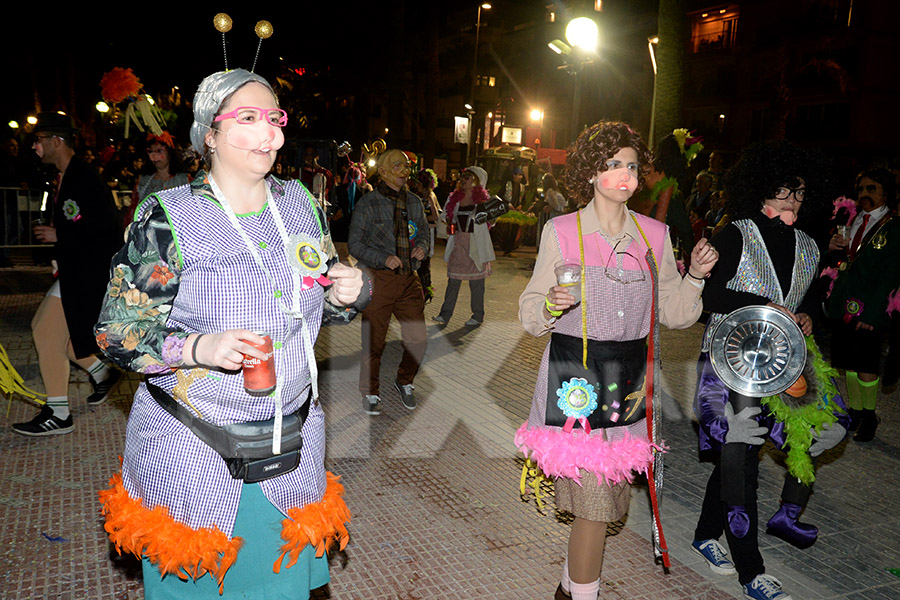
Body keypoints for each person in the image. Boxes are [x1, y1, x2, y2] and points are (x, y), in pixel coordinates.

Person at [93, 69, 368, 599]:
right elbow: (114, 334)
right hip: (194, 448)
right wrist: (200, 347)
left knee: (279, 587)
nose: (270, 133)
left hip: (291, 445)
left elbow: (314, 307)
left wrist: (342, 296)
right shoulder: (168, 218)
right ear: (209, 135)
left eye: (275, 119)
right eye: (248, 118)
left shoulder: (302, 206)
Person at [514, 121, 718, 600]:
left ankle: (570, 587)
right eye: (611, 165)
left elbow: (673, 313)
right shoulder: (561, 231)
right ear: (589, 172)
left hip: (629, 380)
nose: (624, 174)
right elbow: (529, 312)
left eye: (630, 165)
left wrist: (697, 278)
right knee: (596, 507)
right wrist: (550, 305)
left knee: (607, 502)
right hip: (576, 379)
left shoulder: (655, 235)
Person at [692, 140, 847, 600]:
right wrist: (763, 305)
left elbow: (811, 301)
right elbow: (709, 299)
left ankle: (705, 534)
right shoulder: (734, 234)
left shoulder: (808, 244)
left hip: (782, 364)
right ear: (761, 190)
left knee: (817, 432)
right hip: (730, 363)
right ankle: (751, 570)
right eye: (784, 191)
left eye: (799, 193)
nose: (792, 201)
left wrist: (806, 316)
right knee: (740, 457)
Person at [12, 113, 123, 436]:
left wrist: (59, 237)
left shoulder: (83, 177)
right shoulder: (67, 176)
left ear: (55, 141)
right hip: (76, 269)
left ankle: (59, 413)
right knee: (56, 331)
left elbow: (106, 228)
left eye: (38, 140)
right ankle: (101, 373)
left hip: (89, 273)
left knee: (45, 332)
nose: (34, 147)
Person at [349, 148, 429, 415]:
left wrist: (423, 248)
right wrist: (382, 258)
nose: (404, 171)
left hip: (408, 279)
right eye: (398, 166)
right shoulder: (368, 203)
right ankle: (369, 390)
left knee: (418, 340)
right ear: (382, 172)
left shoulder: (415, 202)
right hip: (378, 279)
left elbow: (425, 235)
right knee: (373, 342)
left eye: (407, 166)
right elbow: (355, 245)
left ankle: (404, 380)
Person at [825, 166, 900, 442]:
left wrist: (875, 311)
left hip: (869, 306)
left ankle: (869, 415)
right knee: (849, 362)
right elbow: (844, 261)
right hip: (844, 303)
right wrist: (832, 246)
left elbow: (891, 275)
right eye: (861, 189)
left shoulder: (894, 227)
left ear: (886, 194)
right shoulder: (854, 219)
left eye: (872, 189)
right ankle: (855, 411)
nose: (864, 194)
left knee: (867, 363)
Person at [433, 165, 494, 326]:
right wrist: (446, 223)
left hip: (476, 244)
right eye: (463, 177)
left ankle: (477, 315)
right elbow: (446, 215)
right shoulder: (455, 198)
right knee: (453, 280)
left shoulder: (482, 200)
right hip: (459, 242)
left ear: (476, 181)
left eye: (468, 177)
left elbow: (491, 222)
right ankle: (445, 314)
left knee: (477, 283)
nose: (463, 180)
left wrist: (493, 218)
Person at [126, 133, 190, 226]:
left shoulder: (185, 180)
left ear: (169, 152)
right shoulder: (143, 180)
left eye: (159, 151)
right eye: (150, 151)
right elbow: (133, 210)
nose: (154, 157)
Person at [414, 168, 442, 303]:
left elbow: (435, 216)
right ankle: (423, 290)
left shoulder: (428, 196)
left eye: (418, 182)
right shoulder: (426, 195)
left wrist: (421, 218)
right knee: (423, 263)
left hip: (428, 232)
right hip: (425, 231)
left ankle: (425, 291)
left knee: (424, 263)